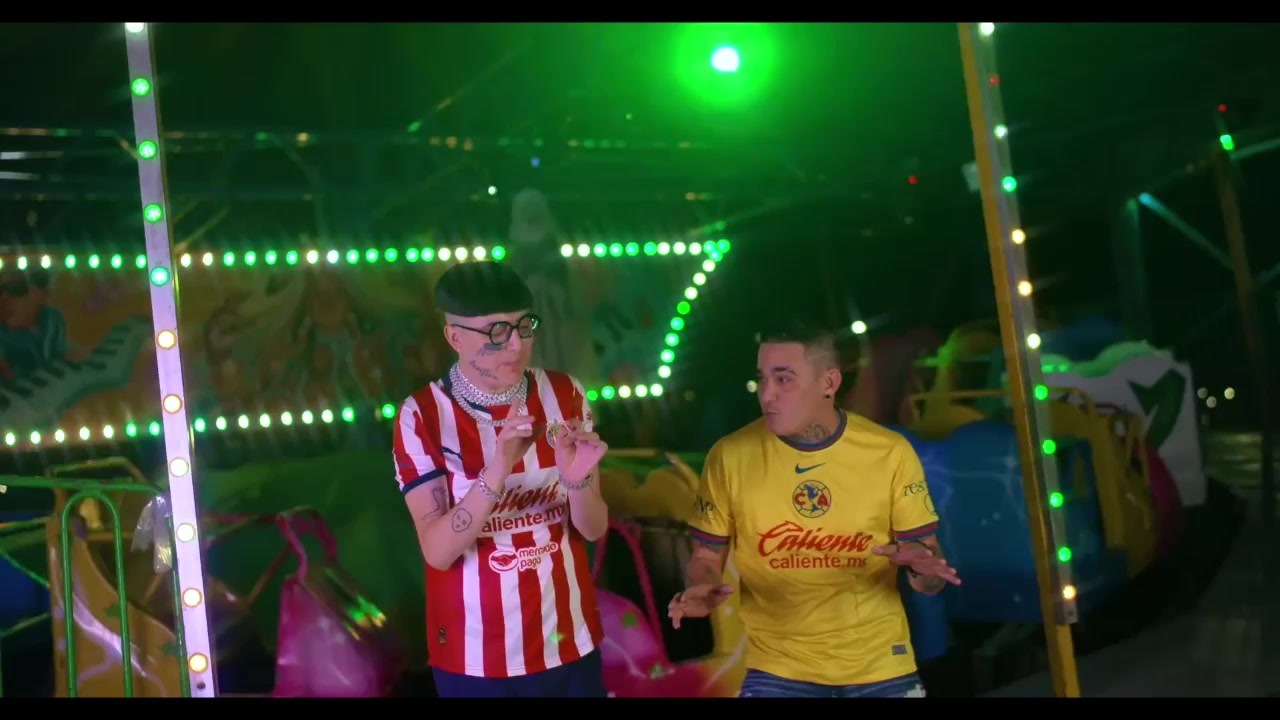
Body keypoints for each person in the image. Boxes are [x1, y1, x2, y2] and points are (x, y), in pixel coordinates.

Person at [668, 319, 961, 699]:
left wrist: (922, 568)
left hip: (880, 665)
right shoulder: (729, 457)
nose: (767, 394)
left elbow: (929, 572)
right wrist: (700, 585)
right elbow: (706, 556)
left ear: (829, 382)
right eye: (762, 379)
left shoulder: (889, 452)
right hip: (777, 668)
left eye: (784, 379)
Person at [392, 261, 611, 698]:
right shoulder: (422, 416)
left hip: (570, 641)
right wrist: (499, 467)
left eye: (523, 326)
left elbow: (593, 528)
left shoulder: (565, 394)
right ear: (455, 337)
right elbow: (438, 551)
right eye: (496, 331)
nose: (515, 344)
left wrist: (577, 481)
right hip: (476, 658)